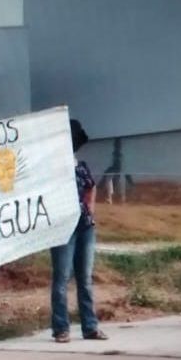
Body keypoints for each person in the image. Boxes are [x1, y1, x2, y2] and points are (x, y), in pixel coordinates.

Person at [50, 119, 108, 343]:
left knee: (84, 278)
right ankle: (61, 328)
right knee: (62, 278)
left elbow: (91, 186)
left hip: (85, 226)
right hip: (62, 228)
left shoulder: (80, 165)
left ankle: (90, 326)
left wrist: (90, 209)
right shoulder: (54, 169)